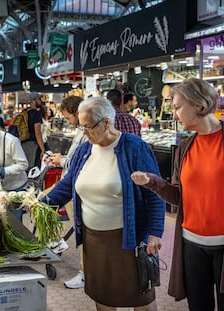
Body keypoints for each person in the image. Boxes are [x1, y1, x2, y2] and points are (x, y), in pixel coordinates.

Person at [131, 77, 224, 311]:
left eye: (177, 107)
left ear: (198, 104)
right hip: (191, 245)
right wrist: (152, 182)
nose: (174, 114)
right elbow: (178, 196)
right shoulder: (185, 147)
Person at [43, 96, 166, 311]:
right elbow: (67, 185)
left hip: (129, 237)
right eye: (82, 127)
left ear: (106, 123)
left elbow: (154, 193)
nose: (84, 133)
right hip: (94, 239)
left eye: (88, 127)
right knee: (103, 295)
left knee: (141, 296)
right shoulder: (84, 151)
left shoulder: (134, 148)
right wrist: (41, 203)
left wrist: (155, 232)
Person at [48, 95, 87, 289]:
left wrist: (61, 161)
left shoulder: (89, 133)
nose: (68, 122)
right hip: (68, 184)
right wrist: (62, 159)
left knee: (82, 231)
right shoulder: (81, 131)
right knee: (39, 203)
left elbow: (79, 163)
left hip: (77, 189)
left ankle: (85, 273)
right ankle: (55, 241)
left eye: (68, 117)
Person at [22, 92, 45, 169]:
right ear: (33, 101)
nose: (40, 101)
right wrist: (43, 149)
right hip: (32, 145)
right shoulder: (37, 114)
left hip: (23, 144)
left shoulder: (25, 112)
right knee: (32, 168)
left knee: (25, 167)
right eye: (39, 99)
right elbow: (38, 133)